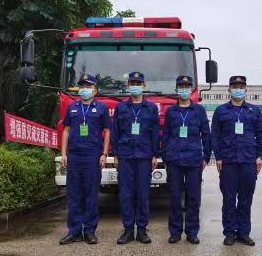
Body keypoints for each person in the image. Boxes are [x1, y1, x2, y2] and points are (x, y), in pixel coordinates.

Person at [211, 75, 262, 246]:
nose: (238, 89)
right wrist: (218, 157)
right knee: (228, 199)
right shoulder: (221, 111)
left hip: (248, 161)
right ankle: (229, 232)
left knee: (245, 199)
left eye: (241, 87)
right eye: (235, 86)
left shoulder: (254, 111)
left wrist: (260, 156)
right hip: (228, 162)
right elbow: (215, 135)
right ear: (229, 89)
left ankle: (243, 232)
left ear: (246, 89)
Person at [59, 74, 111, 245]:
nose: (84, 89)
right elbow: (66, 130)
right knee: (74, 195)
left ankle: (89, 231)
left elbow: (107, 131)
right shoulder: (72, 107)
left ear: (95, 91)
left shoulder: (101, 108)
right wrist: (64, 153)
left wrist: (104, 154)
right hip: (74, 155)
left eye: (88, 87)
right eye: (82, 86)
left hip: (92, 155)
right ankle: (73, 231)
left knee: (90, 194)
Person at [161, 75, 211, 244]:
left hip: (194, 160)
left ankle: (192, 232)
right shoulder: (171, 112)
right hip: (174, 160)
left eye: (187, 87)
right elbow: (165, 135)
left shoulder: (199, 111)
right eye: (181, 87)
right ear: (176, 90)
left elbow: (206, 134)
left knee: (193, 198)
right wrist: (165, 156)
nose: (184, 90)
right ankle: (175, 232)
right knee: (174, 197)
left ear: (191, 90)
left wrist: (206, 156)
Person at [111, 71, 160, 244]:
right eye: (132, 83)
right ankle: (128, 230)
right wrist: (115, 154)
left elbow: (155, 132)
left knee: (143, 195)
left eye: (138, 84)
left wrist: (155, 155)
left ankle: (142, 230)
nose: (135, 86)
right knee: (125, 194)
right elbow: (115, 132)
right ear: (128, 86)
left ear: (144, 86)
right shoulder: (121, 108)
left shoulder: (151, 108)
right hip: (125, 156)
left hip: (144, 156)